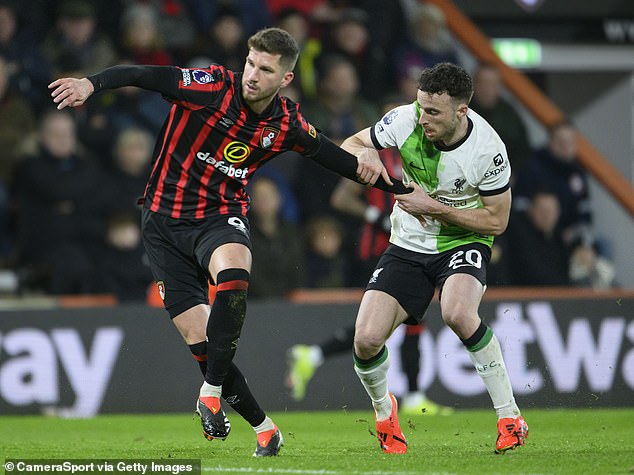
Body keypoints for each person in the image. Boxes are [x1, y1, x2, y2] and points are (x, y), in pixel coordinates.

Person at [49, 27, 407, 457]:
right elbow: (145, 74)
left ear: (285, 79)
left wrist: (396, 188)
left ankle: (210, 392)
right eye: (251, 63)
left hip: (220, 216)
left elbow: (333, 156)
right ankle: (264, 428)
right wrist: (93, 82)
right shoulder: (211, 86)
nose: (253, 75)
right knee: (202, 344)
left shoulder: (286, 123)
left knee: (235, 273)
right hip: (162, 225)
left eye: (266, 69)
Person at [339, 62, 528, 454]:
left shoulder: (488, 151)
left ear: (461, 111)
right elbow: (351, 144)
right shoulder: (404, 119)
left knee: (458, 313)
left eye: (434, 112)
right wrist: (366, 156)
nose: (423, 117)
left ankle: (510, 417)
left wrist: (437, 208)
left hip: (464, 241)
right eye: (421, 106)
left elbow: (498, 221)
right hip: (407, 244)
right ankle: (384, 413)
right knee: (366, 340)